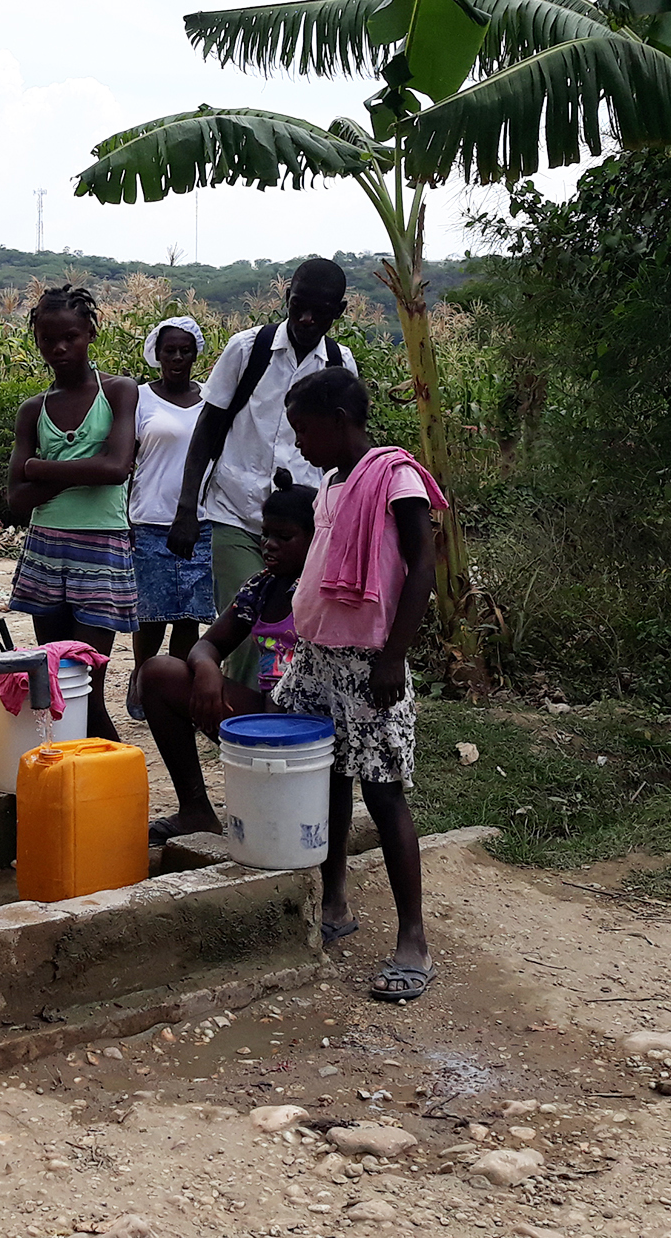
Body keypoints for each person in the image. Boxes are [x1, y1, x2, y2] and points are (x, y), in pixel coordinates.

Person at [278, 367, 444, 1004]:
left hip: (369, 659)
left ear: (339, 420)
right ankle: (336, 900)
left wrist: (394, 656)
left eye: (303, 428)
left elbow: (423, 563)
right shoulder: (329, 483)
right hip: (318, 658)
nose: (298, 443)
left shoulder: (395, 476)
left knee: (382, 792)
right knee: (327, 781)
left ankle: (413, 941)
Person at [167, 259, 354, 682]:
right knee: (244, 633)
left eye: (319, 311)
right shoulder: (247, 349)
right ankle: (237, 728)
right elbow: (208, 428)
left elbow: (346, 450)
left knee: (295, 630)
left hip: (304, 528)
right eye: (298, 305)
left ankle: (283, 722)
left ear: (338, 312)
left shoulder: (340, 366)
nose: (306, 319)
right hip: (235, 512)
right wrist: (186, 508)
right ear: (286, 298)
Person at [137, 469, 315, 843]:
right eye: (266, 534)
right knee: (156, 674)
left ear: (317, 541)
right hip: (263, 721)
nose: (269, 545)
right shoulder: (262, 588)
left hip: (312, 736)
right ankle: (196, 810)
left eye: (285, 537)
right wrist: (206, 670)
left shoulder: (321, 592)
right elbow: (208, 643)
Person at [4, 285, 140, 742]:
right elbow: (17, 499)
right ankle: (73, 779)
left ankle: (115, 781)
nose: (59, 348)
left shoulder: (119, 391)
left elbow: (117, 468)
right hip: (47, 548)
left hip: (101, 547)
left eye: (71, 337)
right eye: (48, 339)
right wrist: (84, 468)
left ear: (90, 334)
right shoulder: (34, 409)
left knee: (89, 685)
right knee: (58, 679)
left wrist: (41, 468)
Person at [124, 315, 213, 723]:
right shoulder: (140, 398)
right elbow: (126, 460)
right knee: (151, 613)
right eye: (169, 350)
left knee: (189, 614)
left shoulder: (212, 400)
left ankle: (175, 686)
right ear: (156, 355)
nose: (177, 357)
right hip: (151, 517)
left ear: (196, 353)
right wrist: (122, 518)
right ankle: (142, 677)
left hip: (202, 519)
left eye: (185, 350)